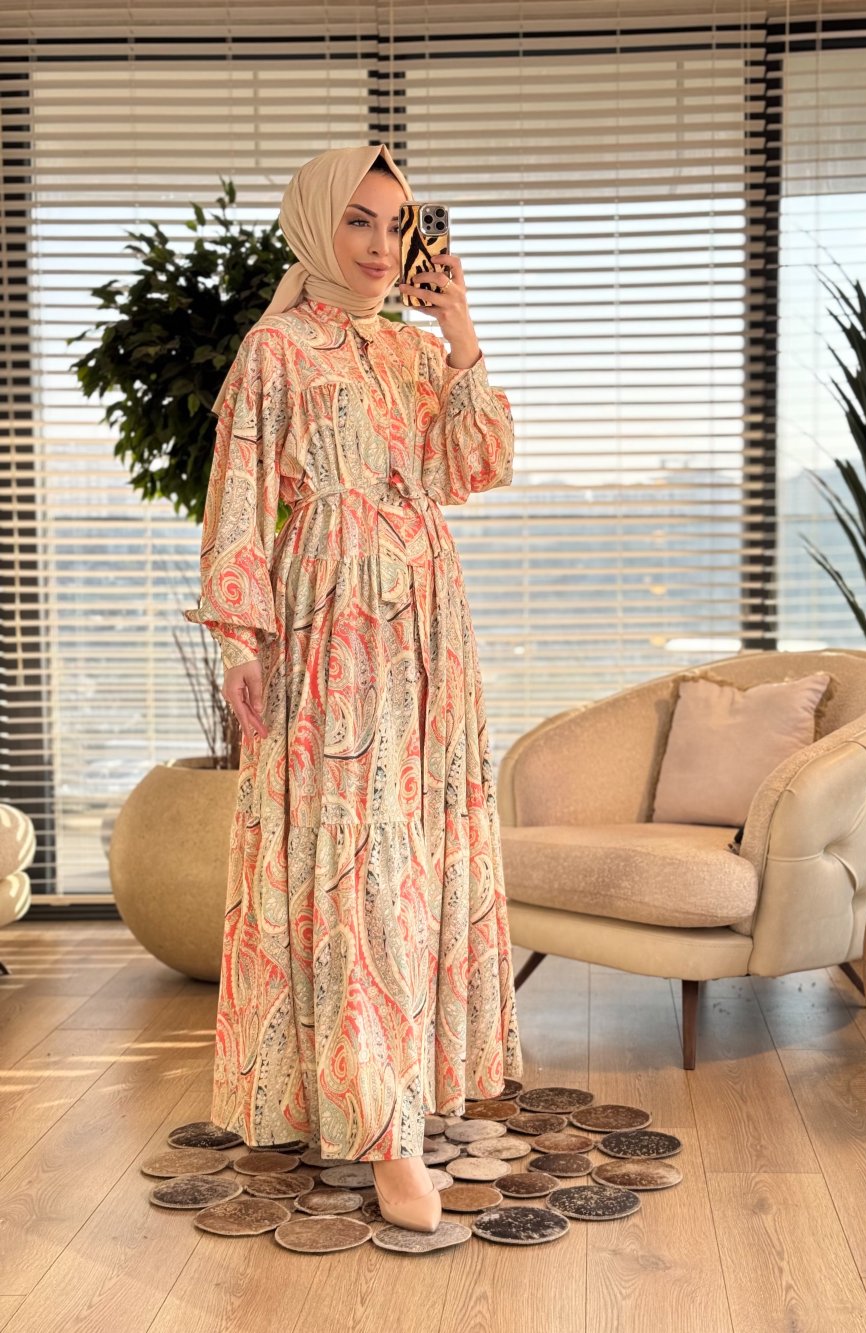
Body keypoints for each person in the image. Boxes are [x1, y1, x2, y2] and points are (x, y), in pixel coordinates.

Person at [183, 143, 523, 1233]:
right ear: (317, 224)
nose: (382, 246)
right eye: (359, 221)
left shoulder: (417, 351)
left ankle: (398, 1096)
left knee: (416, 861)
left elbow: (473, 467)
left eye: (398, 224)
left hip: (429, 627)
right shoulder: (276, 348)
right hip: (328, 619)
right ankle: (386, 1138)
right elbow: (240, 495)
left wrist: (459, 327)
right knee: (355, 866)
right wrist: (241, 643)